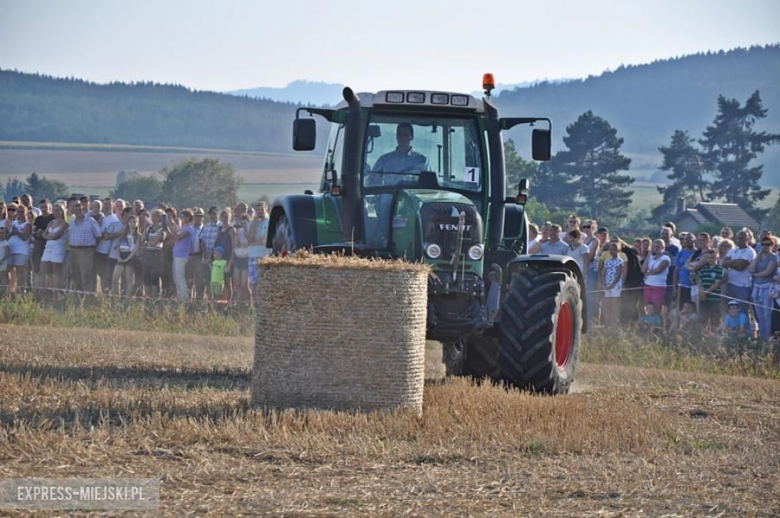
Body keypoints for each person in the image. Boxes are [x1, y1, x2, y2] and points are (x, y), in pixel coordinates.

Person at [67, 202, 102, 293]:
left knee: (86, 275)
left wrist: (93, 248)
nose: (78, 212)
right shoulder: (71, 222)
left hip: (86, 251)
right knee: (75, 275)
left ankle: (88, 299)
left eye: (80, 210)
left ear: (84, 210)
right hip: (73, 251)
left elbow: (98, 236)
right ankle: (77, 297)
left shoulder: (91, 221)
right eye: (76, 210)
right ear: (73, 211)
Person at [748, 237, 778, 341]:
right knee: (759, 314)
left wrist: (755, 274)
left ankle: (767, 337)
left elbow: (767, 272)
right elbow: (750, 268)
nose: (765, 246)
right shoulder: (759, 257)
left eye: (768, 244)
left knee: (767, 313)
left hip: (767, 288)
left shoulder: (773, 258)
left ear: (772, 245)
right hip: (757, 287)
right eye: (763, 244)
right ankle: (762, 337)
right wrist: (759, 254)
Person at [721, 230, 756, 316]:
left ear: (747, 239)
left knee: (742, 311)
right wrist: (736, 262)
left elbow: (741, 267)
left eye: (742, 238)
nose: (739, 240)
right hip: (731, 284)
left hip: (743, 287)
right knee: (730, 311)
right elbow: (724, 263)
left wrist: (731, 262)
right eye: (738, 238)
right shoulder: (733, 250)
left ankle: (744, 329)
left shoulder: (750, 251)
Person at [38, 203, 69, 290]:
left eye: (58, 210)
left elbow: (56, 236)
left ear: (62, 212)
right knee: (42, 271)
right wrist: (49, 236)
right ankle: (41, 291)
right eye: (54, 210)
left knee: (56, 272)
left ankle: (56, 292)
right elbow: (44, 234)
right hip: (48, 248)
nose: (56, 212)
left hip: (58, 249)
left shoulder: (65, 224)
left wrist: (49, 236)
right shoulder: (51, 222)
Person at [168, 208, 197, 302]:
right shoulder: (182, 228)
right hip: (176, 255)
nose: (181, 218)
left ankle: (184, 298)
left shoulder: (189, 228)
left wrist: (169, 226)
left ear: (188, 218)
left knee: (180, 277)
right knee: (176, 277)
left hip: (182, 255)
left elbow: (177, 237)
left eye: (183, 217)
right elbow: (175, 232)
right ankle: (179, 296)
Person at [695, 250, 726, 332]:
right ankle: (701, 336)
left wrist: (706, 292)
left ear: (717, 257)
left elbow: (717, 283)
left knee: (715, 320)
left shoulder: (719, 269)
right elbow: (700, 281)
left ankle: (715, 337)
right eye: (708, 257)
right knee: (702, 318)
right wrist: (701, 291)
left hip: (714, 299)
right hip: (704, 299)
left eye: (712, 257)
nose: (710, 259)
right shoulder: (704, 269)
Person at [111, 214, 142, 296]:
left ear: (137, 223)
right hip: (121, 255)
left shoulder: (138, 235)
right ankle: (115, 295)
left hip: (130, 257)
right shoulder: (124, 233)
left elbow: (135, 249)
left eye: (134, 222)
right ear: (128, 223)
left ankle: (128, 299)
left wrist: (127, 259)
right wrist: (118, 257)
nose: (132, 223)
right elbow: (117, 246)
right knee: (115, 278)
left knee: (129, 279)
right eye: (131, 221)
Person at [6, 204, 33, 292]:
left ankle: (21, 291)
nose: (20, 213)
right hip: (11, 250)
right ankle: (9, 290)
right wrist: (12, 233)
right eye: (19, 211)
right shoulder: (14, 222)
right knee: (8, 270)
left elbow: (25, 237)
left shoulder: (27, 224)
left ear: (26, 213)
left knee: (20, 273)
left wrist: (17, 232)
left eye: (22, 212)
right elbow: (8, 235)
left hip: (21, 251)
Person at [142, 209, 166, 298]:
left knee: (154, 278)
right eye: (153, 215)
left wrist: (147, 243)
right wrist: (145, 228)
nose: (153, 217)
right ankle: (148, 297)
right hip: (148, 254)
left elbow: (155, 242)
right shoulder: (149, 229)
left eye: (156, 215)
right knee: (146, 277)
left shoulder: (162, 229)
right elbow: (142, 239)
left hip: (156, 254)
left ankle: (154, 297)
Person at [247, 201, 270, 292]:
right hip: (253, 255)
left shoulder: (269, 222)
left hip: (265, 255)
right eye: (258, 210)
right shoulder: (251, 224)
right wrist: (254, 225)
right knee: (253, 283)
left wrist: (254, 242)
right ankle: (254, 303)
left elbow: (265, 241)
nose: (260, 211)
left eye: (262, 209)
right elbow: (249, 240)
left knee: (264, 282)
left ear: (266, 209)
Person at [642, 239, 671, 311]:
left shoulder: (666, 258)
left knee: (656, 306)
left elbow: (658, 270)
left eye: (658, 246)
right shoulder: (651, 257)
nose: (656, 248)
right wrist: (649, 255)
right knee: (647, 306)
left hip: (658, 286)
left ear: (663, 248)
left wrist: (648, 273)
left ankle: (657, 321)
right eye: (654, 247)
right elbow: (643, 270)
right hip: (648, 284)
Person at [601, 241, 625, 325]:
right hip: (607, 285)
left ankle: (615, 323)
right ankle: (608, 323)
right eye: (610, 249)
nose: (611, 251)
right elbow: (604, 273)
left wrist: (611, 285)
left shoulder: (620, 261)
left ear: (618, 250)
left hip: (616, 286)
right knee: (607, 305)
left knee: (615, 305)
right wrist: (604, 284)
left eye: (614, 249)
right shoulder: (607, 261)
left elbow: (618, 275)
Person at [232, 214, 251, 304]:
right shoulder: (239, 232)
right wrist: (237, 235)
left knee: (244, 284)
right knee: (237, 284)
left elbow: (248, 244)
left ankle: (249, 302)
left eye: (245, 223)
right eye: (242, 223)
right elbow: (235, 244)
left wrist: (246, 233)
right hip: (238, 258)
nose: (243, 225)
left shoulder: (251, 232)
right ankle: (239, 303)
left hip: (246, 259)